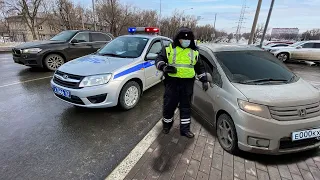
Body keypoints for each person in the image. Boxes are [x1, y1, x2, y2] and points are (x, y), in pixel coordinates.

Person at [155, 27, 208, 138]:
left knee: (186, 107)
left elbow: (200, 67)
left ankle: (185, 130)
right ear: (177, 39)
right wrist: (164, 67)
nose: (185, 41)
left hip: (187, 84)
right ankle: (167, 126)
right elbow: (158, 60)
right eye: (183, 39)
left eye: (188, 39)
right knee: (169, 105)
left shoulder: (194, 52)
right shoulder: (169, 49)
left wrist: (204, 79)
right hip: (172, 83)